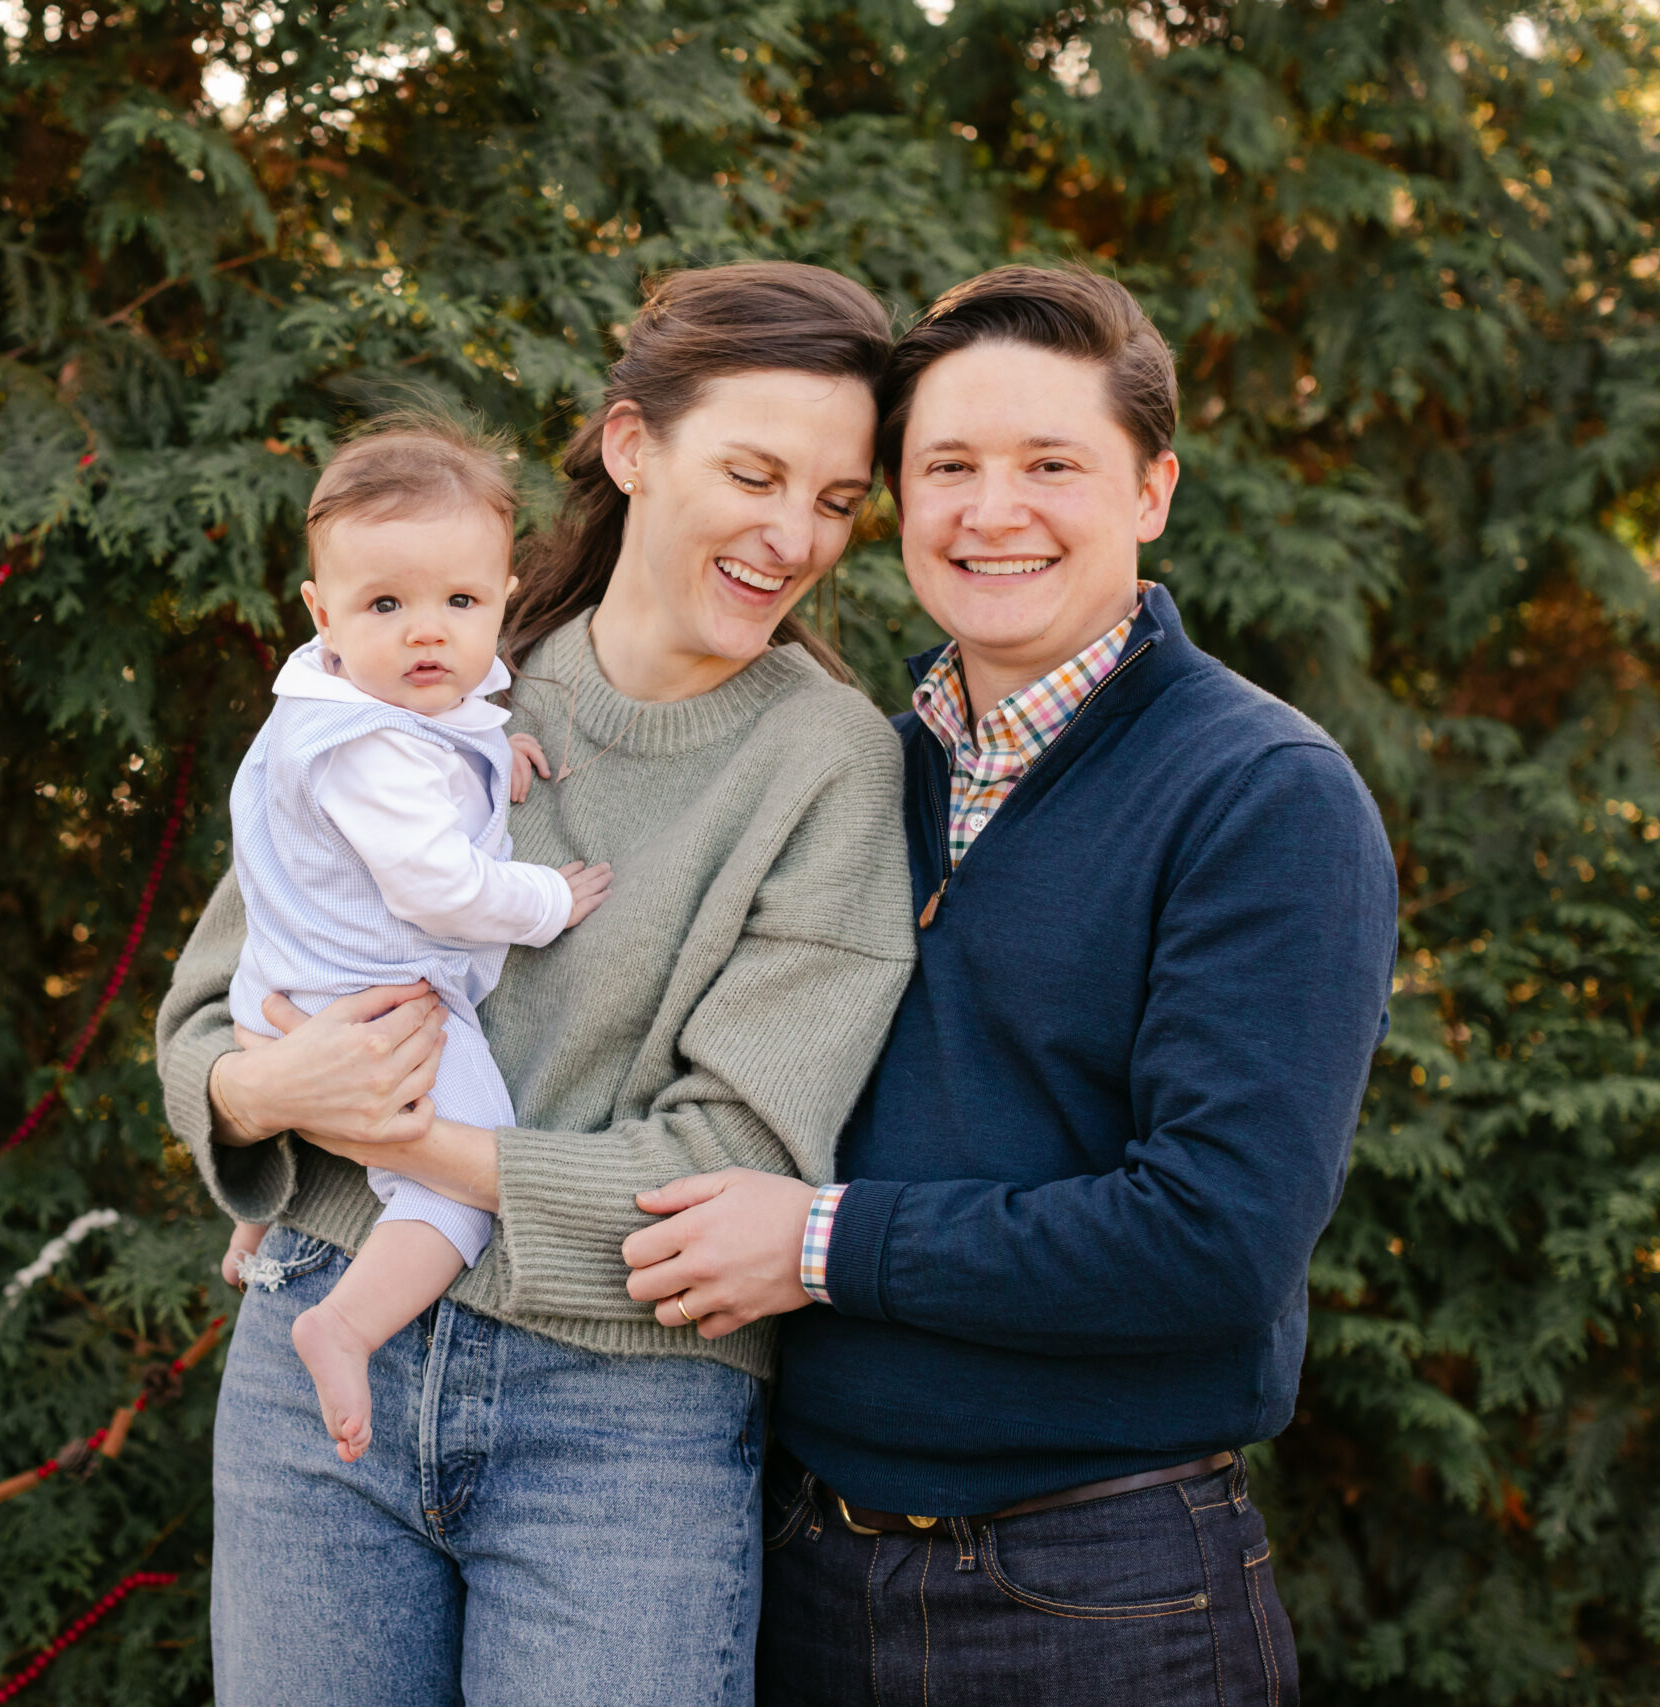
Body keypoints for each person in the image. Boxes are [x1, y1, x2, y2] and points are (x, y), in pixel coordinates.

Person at [619, 265, 1398, 1706]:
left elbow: (1215, 1237)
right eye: (949, 467)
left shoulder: (1263, 796)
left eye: (1053, 464)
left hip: (1098, 1592)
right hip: (795, 1564)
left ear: (1153, 488)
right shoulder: (857, 766)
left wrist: (821, 1244)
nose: (993, 511)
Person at [156, 261, 914, 1705]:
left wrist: (403, 1140)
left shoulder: (828, 764)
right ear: (633, 447)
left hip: (625, 1409)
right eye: (753, 473)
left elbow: (738, 1163)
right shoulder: (415, 666)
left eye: (833, 499)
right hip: (322, 1360)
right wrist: (263, 1086)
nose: (792, 532)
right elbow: (208, 1020)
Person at [215, 418, 614, 1465]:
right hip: (380, 999)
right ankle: (342, 1323)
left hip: (287, 986)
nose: (427, 634)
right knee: (454, 1181)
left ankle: (259, 1222)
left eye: (461, 603)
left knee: (335, 1124)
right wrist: (544, 901)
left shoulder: (358, 698)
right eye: (386, 605)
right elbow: (437, 885)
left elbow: (439, 732)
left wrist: (490, 744)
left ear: (502, 597)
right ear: (321, 611)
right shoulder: (369, 749)